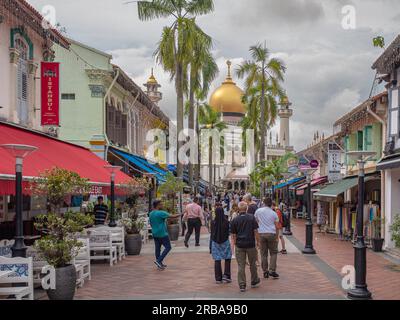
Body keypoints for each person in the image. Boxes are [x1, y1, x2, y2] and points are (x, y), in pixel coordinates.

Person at [230, 201, 261, 292]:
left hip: (240, 244)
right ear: (246, 208)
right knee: (253, 264)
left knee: (241, 265)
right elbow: (256, 231)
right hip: (250, 244)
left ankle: (242, 284)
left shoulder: (235, 220)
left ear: (239, 209)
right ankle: (254, 280)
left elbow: (233, 235)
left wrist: (235, 244)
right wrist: (258, 242)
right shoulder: (251, 218)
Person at [149, 200, 180, 270]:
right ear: (157, 205)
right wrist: (182, 213)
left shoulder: (151, 213)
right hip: (162, 233)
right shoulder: (161, 213)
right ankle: (159, 260)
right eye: (161, 204)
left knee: (157, 249)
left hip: (155, 233)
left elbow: (151, 223)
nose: (162, 205)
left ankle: (159, 264)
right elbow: (173, 216)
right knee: (168, 247)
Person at [255, 198, 280, 279]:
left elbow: (256, 223)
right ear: (271, 204)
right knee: (273, 253)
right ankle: (272, 270)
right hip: (271, 233)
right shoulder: (274, 213)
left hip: (261, 233)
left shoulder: (258, 211)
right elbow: (277, 227)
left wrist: (257, 237)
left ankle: (265, 271)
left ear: (264, 203)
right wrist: (277, 237)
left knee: (263, 254)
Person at [210, 203, 232, 284]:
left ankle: (218, 278)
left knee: (217, 259)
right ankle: (227, 275)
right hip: (225, 241)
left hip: (215, 242)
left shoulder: (213, 222)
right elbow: (229, 232)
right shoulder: (226, 222)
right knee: (227, 258)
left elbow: (211, 233)